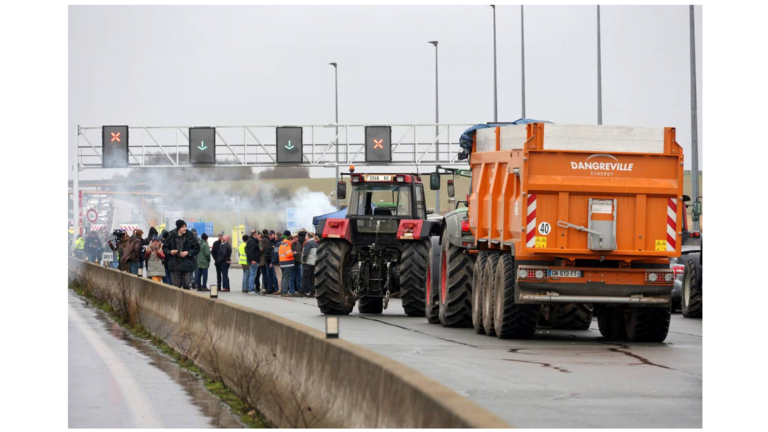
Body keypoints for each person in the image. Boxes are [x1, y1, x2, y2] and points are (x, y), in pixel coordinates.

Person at [162, 220, 200, 290]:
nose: (185, 228)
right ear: (178, 227)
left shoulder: (190, 236)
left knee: (187, 285)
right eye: (183, 227)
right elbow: (164, 248)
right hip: (174, 265)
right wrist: (170, 252)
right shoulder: (171, 235)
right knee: (176, 287)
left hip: (187, 264)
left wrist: (188, 252)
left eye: (185, 227)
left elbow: (197, 248)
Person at [279, 230, 296, 296]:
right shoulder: (287, 245)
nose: (292, 242)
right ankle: (284, 292)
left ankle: (283, 291)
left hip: (282, 263)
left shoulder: (281, 245)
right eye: (292, 240)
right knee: (286, 278)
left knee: (284, 278)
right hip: (287, 264)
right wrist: (293, 253)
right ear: (290, 239)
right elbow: (289, 254)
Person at [246, 230, 262, 295]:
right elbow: (251, 251)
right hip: (253, 260)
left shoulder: (252, 240)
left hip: (253, 260)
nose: (259, 236)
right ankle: (251, 289)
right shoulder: (252, 241)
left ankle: (251, 288)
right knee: (252, 275)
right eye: (258, 234)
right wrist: (253, 259)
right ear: (255, 234)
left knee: (252, 274)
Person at [259, 229, 273, 294]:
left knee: (265, 274)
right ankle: (270, 287)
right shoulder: (269, 240)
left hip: (263, 259)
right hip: (269, 259)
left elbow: (261, 249)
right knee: (269, 274)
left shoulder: (263, 240)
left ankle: (266, 287)